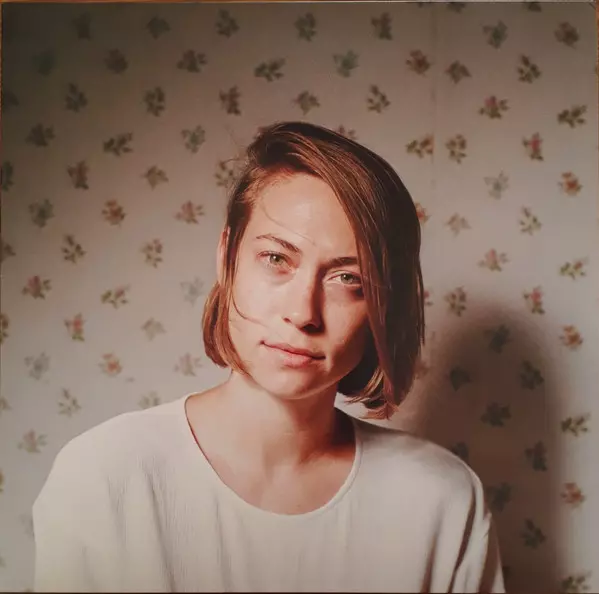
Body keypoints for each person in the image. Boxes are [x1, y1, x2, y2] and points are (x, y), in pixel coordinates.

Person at [32, 121, 505, 592]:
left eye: (348, 279)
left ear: (384, 305)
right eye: (277, 259)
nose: (303, 313)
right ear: (227, 258)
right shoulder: (103, 476)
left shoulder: (441, 500)